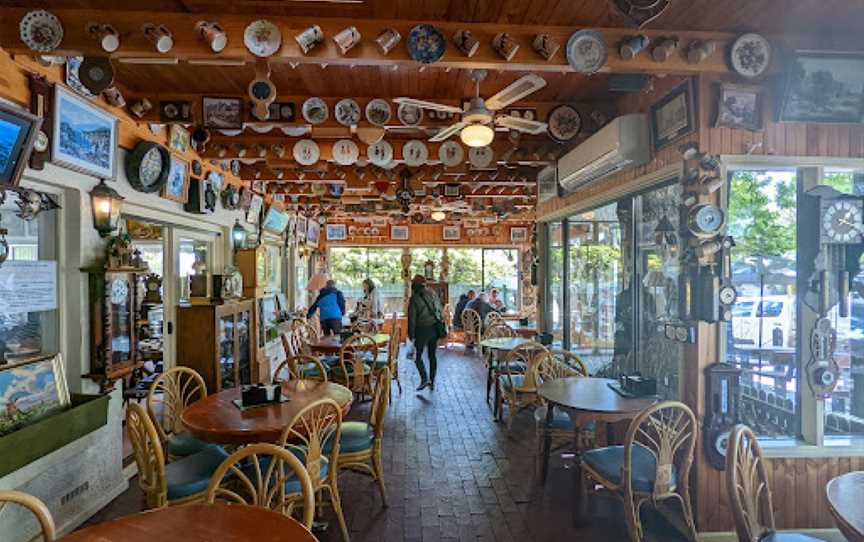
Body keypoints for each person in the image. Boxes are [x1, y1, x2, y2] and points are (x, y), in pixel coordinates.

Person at [407, 274, 444, 392]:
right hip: (434, 328)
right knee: (432, 355)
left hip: (422, 330)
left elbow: (412, 319)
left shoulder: (414, 298)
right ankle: (432, 380)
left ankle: (424, 379)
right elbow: (439, 310)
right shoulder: (433, 293)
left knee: (417, 356)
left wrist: (411, 335)